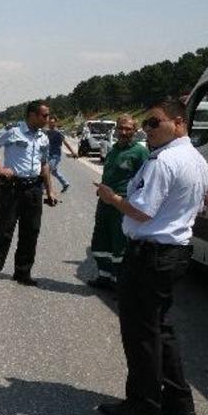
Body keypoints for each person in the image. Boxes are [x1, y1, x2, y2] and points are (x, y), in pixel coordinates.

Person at [93, 98, 208, 415]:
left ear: (178, 122)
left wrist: (112, 198)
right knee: (161, 328)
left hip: (150, 255)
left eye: (155, 122)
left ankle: (143, 405)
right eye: (146, 123)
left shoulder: (163, 161)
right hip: (174, 253)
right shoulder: (197, 160)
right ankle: (179, 401)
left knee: (141, 333)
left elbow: (141, 211)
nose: (148, 129)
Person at [0, 101, 57, 287]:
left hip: (34, 189)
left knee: (31, 231)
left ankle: (23, 272)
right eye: (44, 116)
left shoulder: (43, 137)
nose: (48, 119)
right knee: (4, 231)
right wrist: (0, 169)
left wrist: (50, 190)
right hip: (12, 188)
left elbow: (44, 164)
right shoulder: (13, 131)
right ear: (32, 115)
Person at [87, 114, 149, 290]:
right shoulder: (113, 150)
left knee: (120, 244)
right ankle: (104, 276)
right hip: (104, 204)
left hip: (121, 205)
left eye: (128, 129)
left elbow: (145, 181)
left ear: (135, 131)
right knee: (101, 240)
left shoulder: (140, 152)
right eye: (121, 128)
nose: (124, 132)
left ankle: (119, 282)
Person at [45, 115, 78, 193]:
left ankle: (46, 188)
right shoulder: (47, 132)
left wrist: (73, 152)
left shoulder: (58, 133)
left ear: (55, 123)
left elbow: (66, 143)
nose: (51, 124)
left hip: (55, 155)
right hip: (48, 155)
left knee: (47, 170)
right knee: (54, 172)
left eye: (52, 122)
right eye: (50, 122)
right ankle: (65, 183)